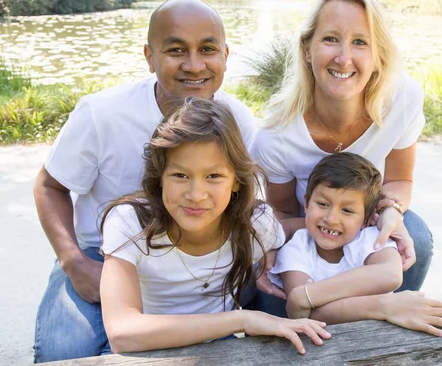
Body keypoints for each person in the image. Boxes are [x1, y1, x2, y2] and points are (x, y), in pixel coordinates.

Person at [32, 0, 257, 362]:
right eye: (175, 50)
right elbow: (48, 186)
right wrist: (73, 262)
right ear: (149, 57)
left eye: (208, 49)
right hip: (101, 254)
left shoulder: (238, 119)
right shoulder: (101, 114)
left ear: (226, 55)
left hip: (193, 249)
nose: (194, 64)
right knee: (64, 353)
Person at [99, 97, 331, 354]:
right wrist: (242, 320)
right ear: (160, 178)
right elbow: (122, 332)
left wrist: (372, 216)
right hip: (148, 347)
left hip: (220, 348)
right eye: (180, 175)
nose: (196, 194)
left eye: (213, 176)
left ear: (236, 181)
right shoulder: (131, 222)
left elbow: (289, 229)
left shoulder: (253, 223)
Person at [252, 0, 432, 301]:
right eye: (331, 39)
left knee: (415, 238)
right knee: (271, 272)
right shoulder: (277, 134)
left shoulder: (403, 98)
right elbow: (281, 210)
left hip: (368, 216)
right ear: (307, 49)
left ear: (379, 56)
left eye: (360, 42)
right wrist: (281, 242)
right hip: (309, 227)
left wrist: (391, 211)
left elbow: (400, 180)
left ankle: (385, 321)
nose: (344, 58)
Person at [268, 153, 442, 337]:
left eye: (347, 210)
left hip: (375, 335)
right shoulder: (297, 246)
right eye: (323, 204)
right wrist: (385, 306)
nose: (331, 218)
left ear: (367, 219)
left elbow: (390, 275)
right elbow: (305, 315)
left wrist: (307, 295)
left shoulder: (370, 237)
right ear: (307, 203)